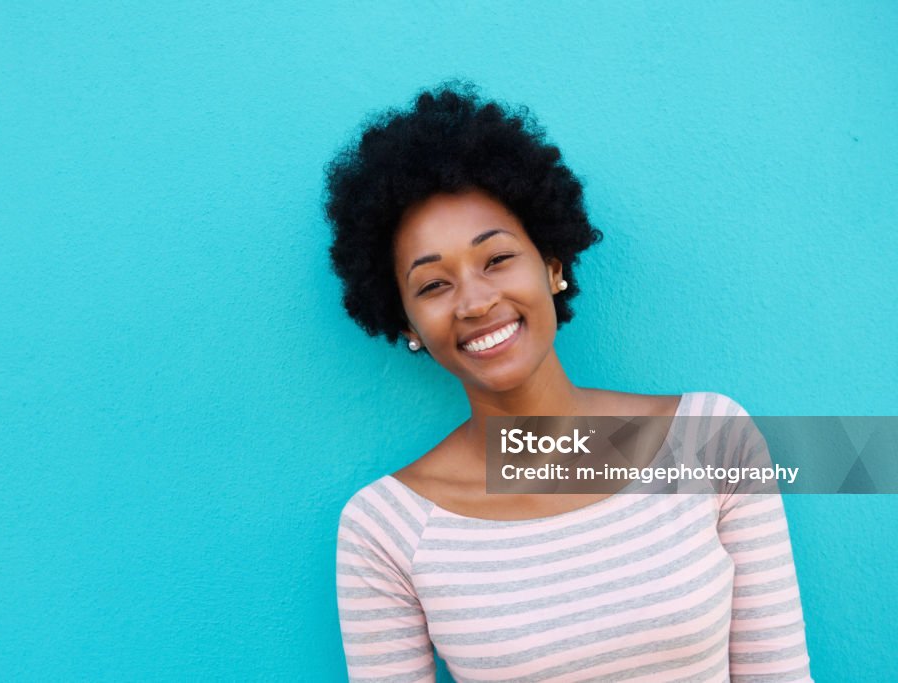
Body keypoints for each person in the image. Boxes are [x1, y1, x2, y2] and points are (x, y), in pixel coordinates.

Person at [325, 83, 812, 682]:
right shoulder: (386, 529)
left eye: (497, 258)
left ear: (552, 266)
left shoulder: (712, 439)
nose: (476, 302)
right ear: (407, 324)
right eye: (433, 285)